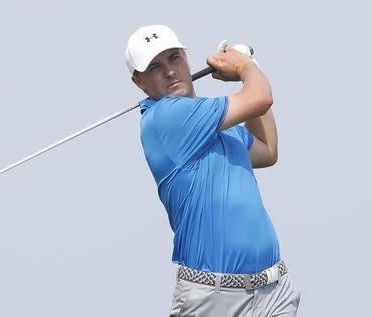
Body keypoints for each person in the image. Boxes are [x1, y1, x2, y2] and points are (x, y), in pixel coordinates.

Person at [125, 25, 300, 317]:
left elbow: (267, 151)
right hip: (214, 301)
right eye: (155, 66)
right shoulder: (165, 118)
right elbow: (260, 98)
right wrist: (245, 68)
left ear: (186, 58)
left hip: (274, 291)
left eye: (175, 58)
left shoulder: (215, 121)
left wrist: (248, 72)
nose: (170, 71)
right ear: (139, 83)